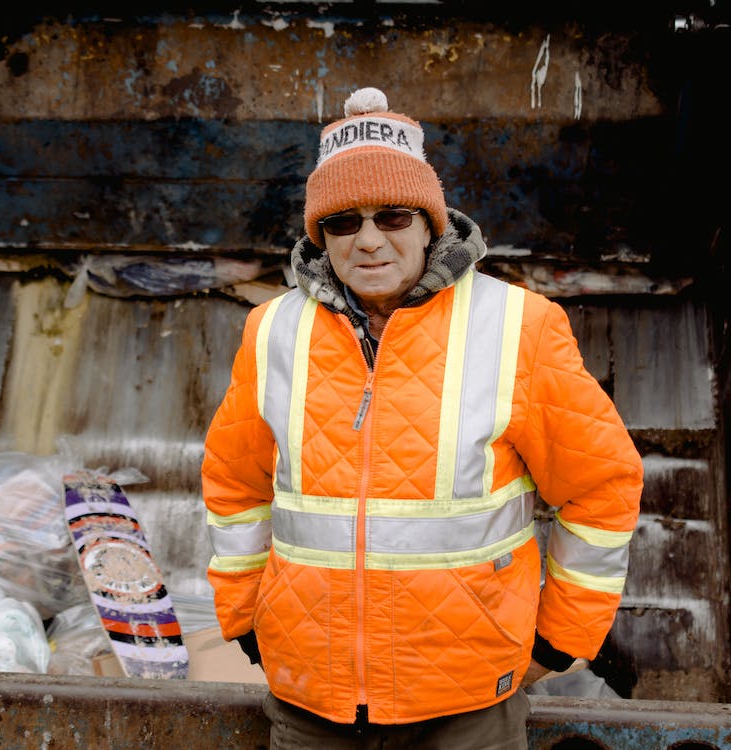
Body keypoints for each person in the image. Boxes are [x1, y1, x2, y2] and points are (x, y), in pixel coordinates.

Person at [202, 87, 643, 749]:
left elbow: (600, 488)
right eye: (344, 221)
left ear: (430, 221)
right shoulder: (270, 333)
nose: (369, 240)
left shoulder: (519, 327)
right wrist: (242, 623)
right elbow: (236, 491)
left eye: (393, 216)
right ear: (320, 234)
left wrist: (556, 643)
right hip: (308, 700)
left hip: (466, 704)